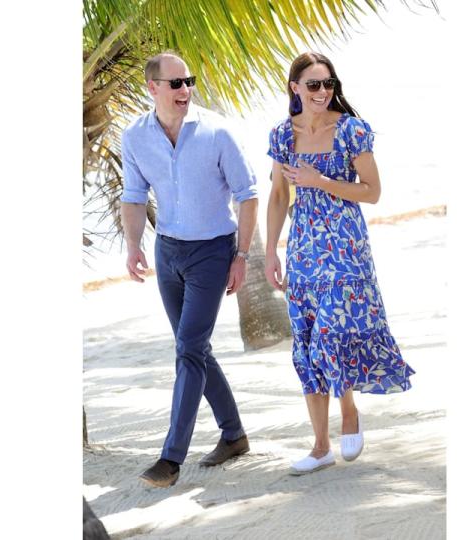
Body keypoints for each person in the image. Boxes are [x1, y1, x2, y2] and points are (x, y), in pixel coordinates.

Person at [264, 52, 415, 475]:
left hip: (347, 252)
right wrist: (270, 250)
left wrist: (321, 181)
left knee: (332, 336)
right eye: (313, 84)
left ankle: (348, 412)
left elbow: (372, 191)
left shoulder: (351, 131)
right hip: (303, 252)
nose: (322, 92)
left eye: (328, 84)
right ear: (294, 87)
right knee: (308, 344)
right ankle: (319, 446)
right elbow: (278, 196)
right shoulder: (282, 136)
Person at [120, 51, 259, 488]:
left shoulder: (217, 132)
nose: (185, 90)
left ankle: (170, 459)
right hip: (167, 253)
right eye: (175, 83)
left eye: (189, 82)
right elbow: (134, 194)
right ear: (153, 88)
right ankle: (234, 434)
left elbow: (248, 194)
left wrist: (241, 256)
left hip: (213, 253)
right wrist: (132, 247)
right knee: (194, 348)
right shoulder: (135, 136)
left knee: (188, 350)